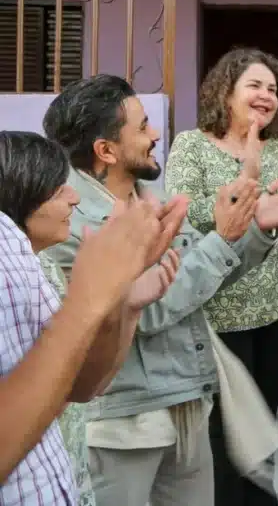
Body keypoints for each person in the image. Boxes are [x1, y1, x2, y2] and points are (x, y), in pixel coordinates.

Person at [42, 75, 278, 506]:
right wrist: (222, 239)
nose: (156, 134)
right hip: (124, 425)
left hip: (188, 401)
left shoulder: (154, 198)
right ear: (105, 151)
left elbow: (203, 281)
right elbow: (145, 312)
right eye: (143, 126)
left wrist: (254, 230)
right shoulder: (71, 227)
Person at [165, 48, 278, 506]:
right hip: (216, 311)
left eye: (272, 89)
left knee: (261, 423)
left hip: (274, 307)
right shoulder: (192, 145)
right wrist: (253, 196)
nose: (266, 96)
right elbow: (183, 218)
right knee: (222, 432)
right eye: (255, 86)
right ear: (225, 92)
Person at [0, 130, 184, 504]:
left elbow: (79, 388)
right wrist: (89, 298)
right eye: (55, 189)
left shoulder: (35, 264)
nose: (73, 196)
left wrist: (122, 301)